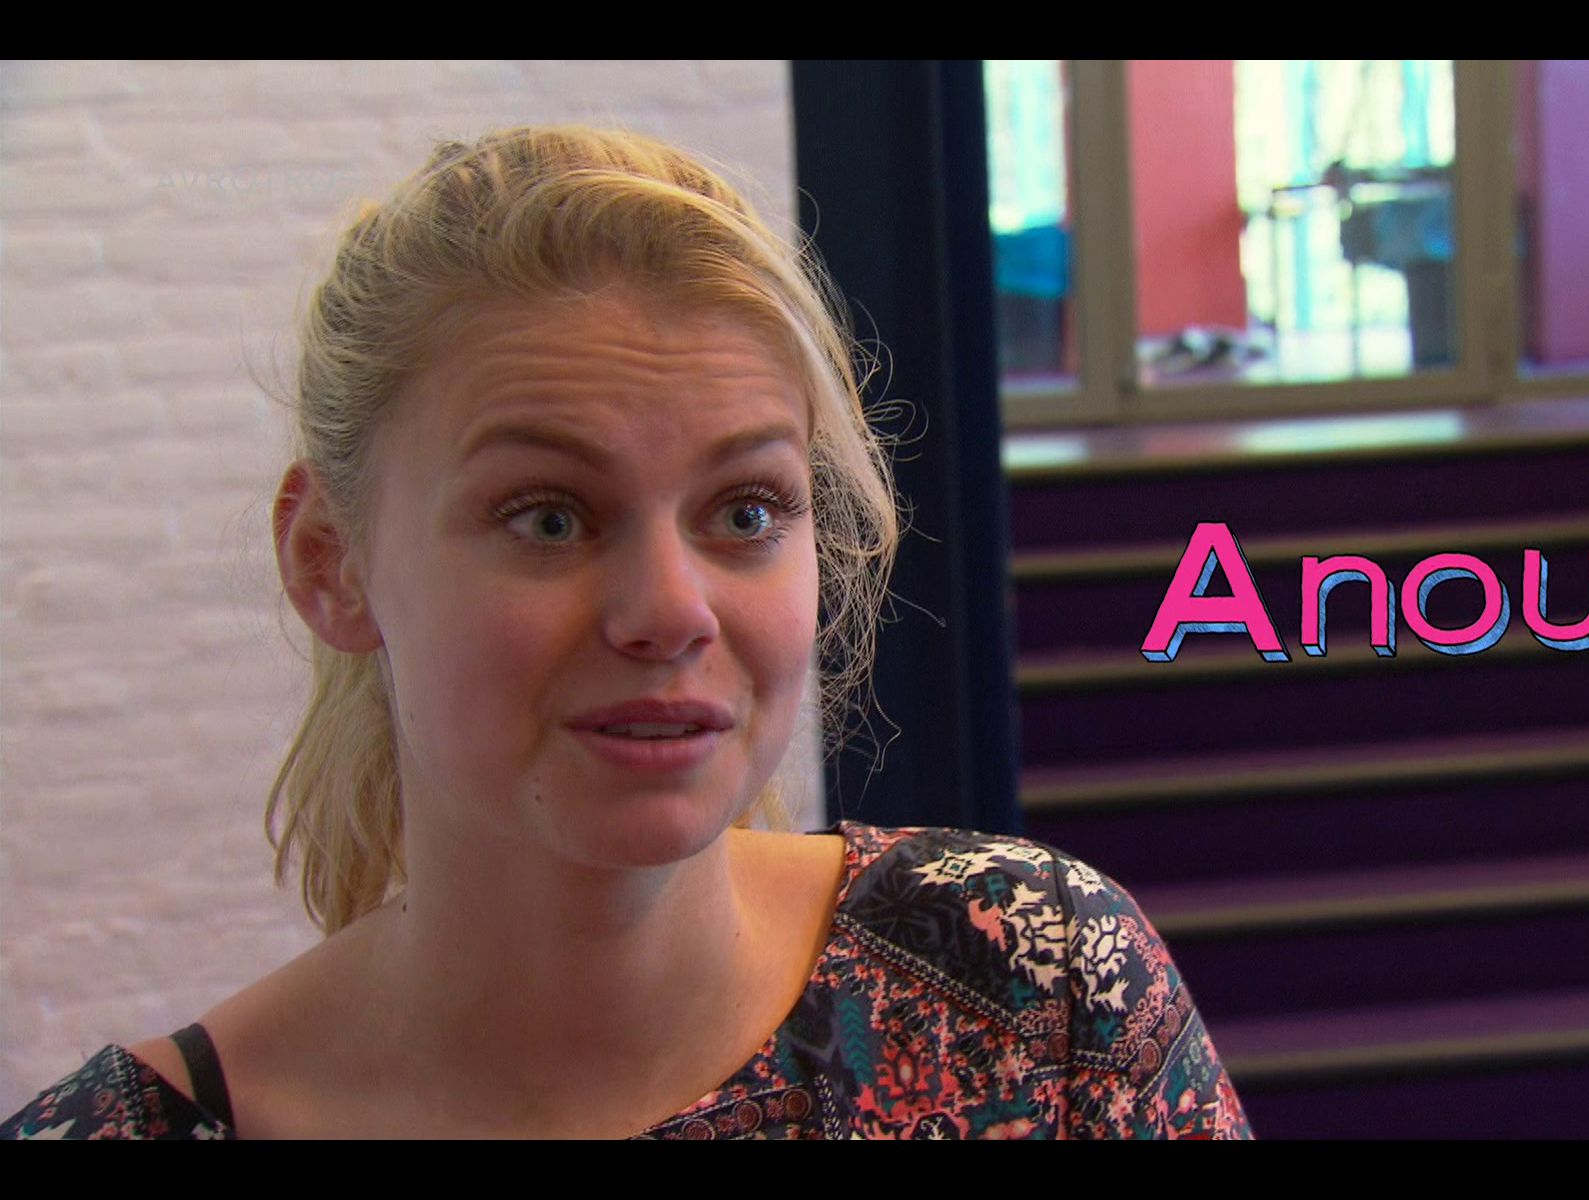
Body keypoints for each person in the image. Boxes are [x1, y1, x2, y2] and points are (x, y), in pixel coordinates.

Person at [2, 125, 1251, 1140]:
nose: (670, 610)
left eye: (746, 511)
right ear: (330, 562)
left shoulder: (1030, 988)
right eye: (548, 517)